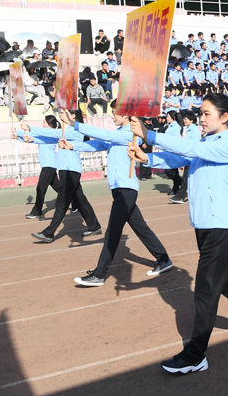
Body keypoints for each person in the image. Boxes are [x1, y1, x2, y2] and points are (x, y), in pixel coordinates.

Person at [127, 94, 228, 374]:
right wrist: (147, 157)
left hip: (221, 227)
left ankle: (195, 354)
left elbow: (190, 149)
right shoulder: (206, 142)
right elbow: (181, 156)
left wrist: (149, 134)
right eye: (200, 113)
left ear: (225, 117)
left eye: (207, 113)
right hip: (205, 225)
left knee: (205, 291)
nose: (201, 118)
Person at [57, 106, 172, 287]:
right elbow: (97, 144)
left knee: (112, 232)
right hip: (120, 189)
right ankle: (163, 258)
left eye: (114, 113)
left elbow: (105, 135)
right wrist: (73, 146)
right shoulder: (117, 134)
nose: (112, 116)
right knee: (141, 228)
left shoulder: (129, 134)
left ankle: (99, 274)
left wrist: (73, 123)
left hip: (126, 189)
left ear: (125, 115)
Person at [24, 110, 102, 243]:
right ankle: (94, 226)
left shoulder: (75, 130)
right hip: (65, 170)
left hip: (70, 170)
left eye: (65, 112)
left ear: (73, 115)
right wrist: (28, 137)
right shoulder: (66, 131)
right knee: (80, 200)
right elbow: (49, 139)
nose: (61, 114)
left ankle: (48, 233)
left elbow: (53, 133)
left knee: (61, 202)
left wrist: (31, 128)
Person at [13, 115, 76, 219]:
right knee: (59, 187)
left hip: (49, 165)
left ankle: (37, 211)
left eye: (44, 122)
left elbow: (34, 136)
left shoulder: (51, 134)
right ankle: (75, 200)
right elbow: (32, 138)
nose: (42, 124)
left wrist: (17, 131)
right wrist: (17, 137)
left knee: (40, 188)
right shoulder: (45, 134)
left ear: (50, 124)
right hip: (48, 165)